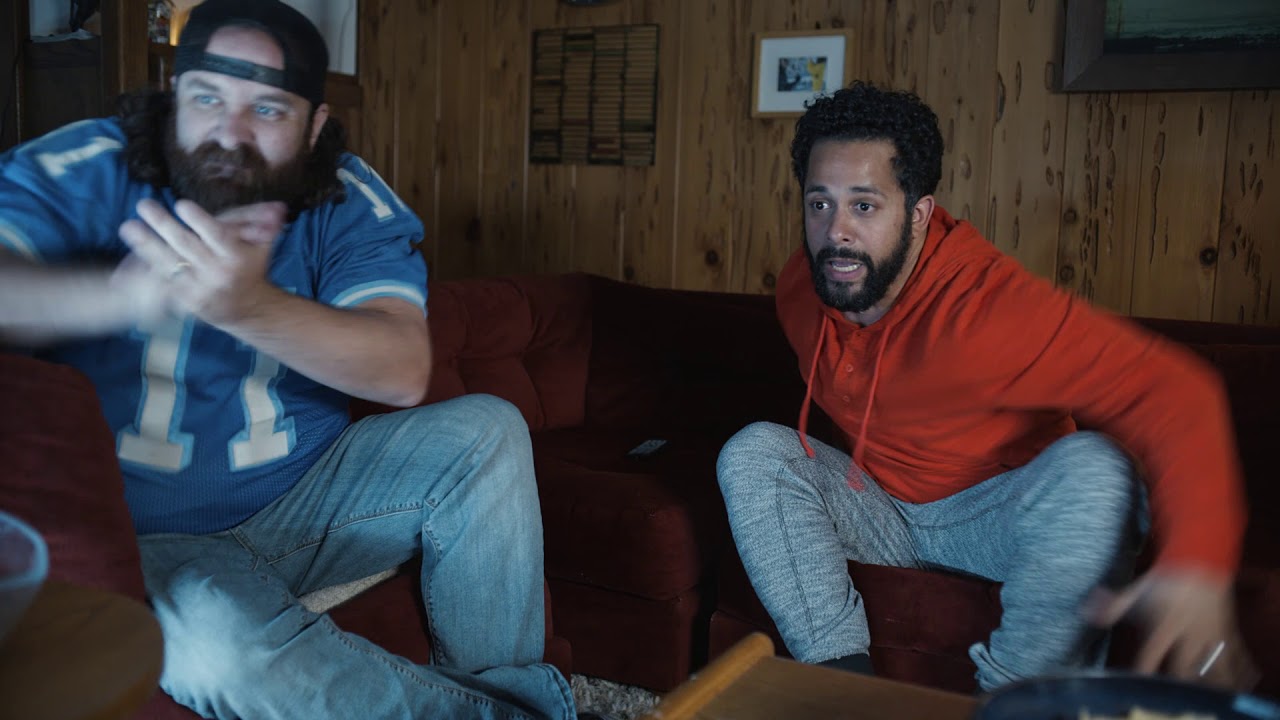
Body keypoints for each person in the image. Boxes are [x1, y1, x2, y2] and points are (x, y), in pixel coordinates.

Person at [0, 1, 578, 718]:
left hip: (300, 506)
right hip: (138, 530)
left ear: (313, 127)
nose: (230, 133)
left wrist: (246, 305)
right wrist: (124, 297)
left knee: (486, 431)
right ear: (172, 96)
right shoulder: (92, 163)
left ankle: (509, 681)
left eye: (268, 109)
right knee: (220, 646)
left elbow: (401, 369)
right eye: (207, 98)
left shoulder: (346, 195)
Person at [716, 81, 1258, 692]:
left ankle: (1009, 703)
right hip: (880, 509)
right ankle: (847, 689)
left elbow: (1177, 391)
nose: (836, 231)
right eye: (820, 203)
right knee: (754, 451)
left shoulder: (989, 309)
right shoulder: (804, 285)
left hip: (996, 519)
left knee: (1099, 469)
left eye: (864, 206)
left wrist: (1198, 563)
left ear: (917, 214)